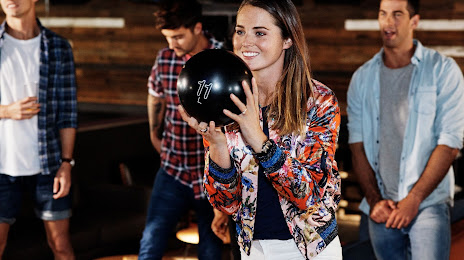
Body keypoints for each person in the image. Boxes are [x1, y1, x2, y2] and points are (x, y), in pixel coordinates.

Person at [179, 0, 343, 259]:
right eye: (241, 31)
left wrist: (259, 139)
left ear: (287, 39)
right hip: (252, 249)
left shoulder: (318, 101)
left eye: (260, 33)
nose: (246, 42)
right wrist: (218, 145)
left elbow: (309, 196)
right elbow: (227, 204)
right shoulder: (226, 100)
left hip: (309, 249)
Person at [347, 0, 464, 259]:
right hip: (382, 209)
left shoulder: (442, 71)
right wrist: (375, 200)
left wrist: (414, 199)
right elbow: (357, 145)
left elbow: (450, 141)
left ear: (414, 21)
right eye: (383, 14)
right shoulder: (362, 79)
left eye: (397, 14)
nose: (389, 22)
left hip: (428, 206)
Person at [138, 0, 226, 259]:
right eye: (167, 38)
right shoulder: (165, 58)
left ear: (197, 28)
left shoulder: (223, 58)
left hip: (210, 171)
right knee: (150, 243)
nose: (171, 44)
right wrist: (154, 133)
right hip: (173, 169)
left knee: (211, 250)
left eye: (177, 37)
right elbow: (155, 94)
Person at [0, 0, 77, 259]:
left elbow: (68, 112)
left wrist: (66, 163)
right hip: (1, 167)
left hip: (49, 166)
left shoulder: (58, 47)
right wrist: (6, 111)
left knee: (61, 247)